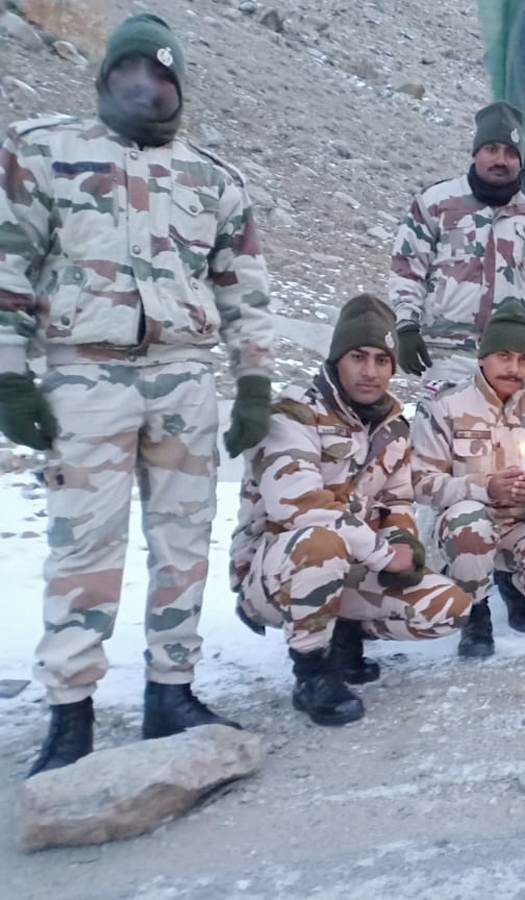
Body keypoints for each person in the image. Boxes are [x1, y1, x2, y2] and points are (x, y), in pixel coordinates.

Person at [0, 15, 273, 776]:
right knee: (84, 545)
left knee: (184, 542)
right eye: (130, 73)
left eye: (160, 76)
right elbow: (8, 266)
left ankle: (171, 691)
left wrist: (253, 380)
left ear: (177, 86)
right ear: (106, 78)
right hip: (84, 373)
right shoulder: (43, 152)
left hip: (185, 375)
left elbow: (244, 291)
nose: (145, 87)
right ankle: (70, 712)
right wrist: (9, 373)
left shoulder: (215, 179)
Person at [230, 295, 471, 726]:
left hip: (351, 562)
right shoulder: (293, 411)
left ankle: (343, 634)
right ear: (338, 358)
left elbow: (395, 500)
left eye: (382, 360)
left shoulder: (392, 426)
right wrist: (381, 554)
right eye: (358, 357)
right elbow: (300, 506)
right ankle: (312, 672)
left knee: (448, 608)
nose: (370, 371)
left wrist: (402, 544)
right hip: (274, 575)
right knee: (321, 542)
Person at [411, 298, 525, 657]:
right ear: (483, 356)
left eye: (523, 360)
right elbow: (422, 483)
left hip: (522, 522)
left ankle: (513, 584)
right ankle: (476, 611)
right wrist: (483, 487)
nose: (514, 369)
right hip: (468, 521)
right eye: (504, 357)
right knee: (470, 523)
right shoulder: (445, 405)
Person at [388, 101, 525, 391]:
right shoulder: (435, 203)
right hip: (446, 358)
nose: (501, 160)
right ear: (476, 152)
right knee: (440, 435)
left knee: (507, 437)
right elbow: (407, 270)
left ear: (521, 161)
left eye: (511, 153)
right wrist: (406, 326)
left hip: (510, 362)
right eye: (492, 149)